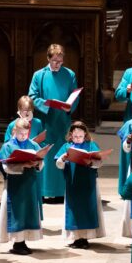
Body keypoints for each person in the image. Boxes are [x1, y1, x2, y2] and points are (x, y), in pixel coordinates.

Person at [30, 43, 79, 203]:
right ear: (48, 58)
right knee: (47, 153)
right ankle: (45, 191)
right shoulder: (39, 75)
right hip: (47, 121)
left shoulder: (69, 74)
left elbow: (75, 95)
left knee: (62, 153)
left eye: (60, 60)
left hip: (63, 121)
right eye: (54, 61)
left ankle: (61, 191)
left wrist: (69, 106)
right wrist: (47, 105)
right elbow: (32, 96)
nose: (58, 64)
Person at [54, 121, 107, 249]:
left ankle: (85, 238)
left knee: (87, 209)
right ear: (71, 135)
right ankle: (76, 237)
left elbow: (99, 163)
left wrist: (91, 162)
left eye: (80, 136)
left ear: (85, 135)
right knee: (73, 210)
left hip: (88, 184)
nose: (78, 139)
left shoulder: (91, 145)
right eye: (75, 136)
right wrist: (63, 159)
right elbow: (58, 164)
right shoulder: (66, 146)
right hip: (72, 183)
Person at [0, 118, 44, 255]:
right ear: (15, 131)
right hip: (15, 186)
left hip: (29, 185)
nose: (23, 136)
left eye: (26, 134)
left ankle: (23, 241)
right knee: (17, 213)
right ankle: (17, 243)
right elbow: (5, 167)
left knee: (28, 211)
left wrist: (37, 164)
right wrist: (22, 165)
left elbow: (41, 162)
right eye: (20, 133)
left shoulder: (33, 144)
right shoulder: (8, 146)